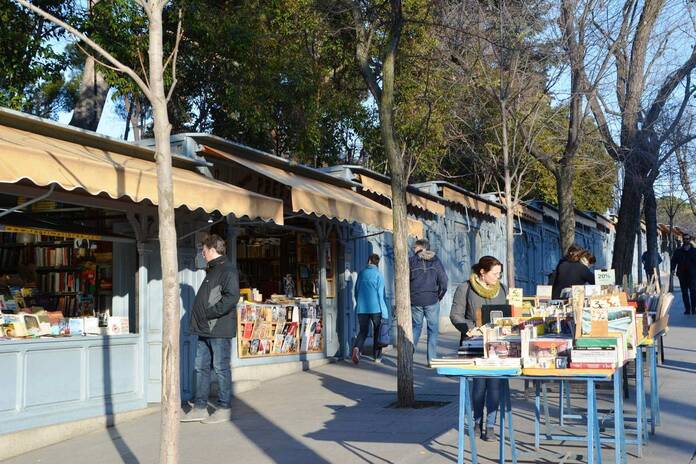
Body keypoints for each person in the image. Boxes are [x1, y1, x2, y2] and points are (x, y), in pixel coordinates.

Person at [181, 234, 239, 424]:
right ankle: (200, 407)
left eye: (204, 250)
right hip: (205, 329)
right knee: (201, 367)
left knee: (221, 368)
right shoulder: (213, 270)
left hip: (218, 328)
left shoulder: (227, 270)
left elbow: (231, 298)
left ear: (212, 249)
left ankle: (224, 408)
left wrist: (209, 313)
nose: (202, 254)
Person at [450, 256, 506, 441]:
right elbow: (455, 315)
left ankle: (490, 425)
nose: (498, 277)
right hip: (474, 344)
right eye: (495, 273)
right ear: (482, 272)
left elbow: (508, 314)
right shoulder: (465, 288)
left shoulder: (502, 289)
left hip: (497, 345)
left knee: (495, 385)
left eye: (499, 274)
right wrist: (469, 328)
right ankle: (476, 421)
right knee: (479, 386)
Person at [410, 239, 448, 366]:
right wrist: (439, 296)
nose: (413, 249)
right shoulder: (435, 260)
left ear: (420, 248)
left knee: (416, 327)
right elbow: (444, 280)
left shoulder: (411, 261)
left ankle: (409, 355)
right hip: (432, 299)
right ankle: (431, 360)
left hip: (415, 300)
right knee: (432, 330)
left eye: (414, 247)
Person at [352, 254, 389, 364]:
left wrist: (359, 303)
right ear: (377, 263)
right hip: (376, 308)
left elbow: (356, 291)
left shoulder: (362, 273)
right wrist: (385, 312)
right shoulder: (379, 275)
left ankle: (357, 348)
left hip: (362, 308)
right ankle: (377, 357)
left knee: (363, 331)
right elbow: (381, 295)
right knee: (378, 332)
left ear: (369, 261)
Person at [671, 234, 696, 315]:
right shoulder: (678, 251)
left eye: (688, 239)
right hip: (682, 275)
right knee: (684, 293)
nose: (686, 240)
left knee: (693, 292)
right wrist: (672, 269)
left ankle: (694, 309)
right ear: (683, 240)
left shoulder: (694, 251)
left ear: (690, 239)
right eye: (685, 239)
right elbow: (673, 261)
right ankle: (687, 309)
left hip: (693, 275)